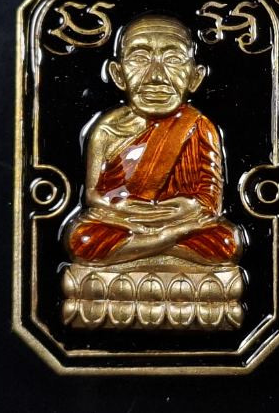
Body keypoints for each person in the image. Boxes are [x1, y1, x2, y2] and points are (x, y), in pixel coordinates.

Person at [64, 15, 242, 266]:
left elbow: (210, 200)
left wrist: (188, 208)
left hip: (180, 220)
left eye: (173, 59)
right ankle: (166, 243)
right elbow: (94, 196)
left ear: (195, 77)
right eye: (139, 58)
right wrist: (123, 210)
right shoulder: (108, 129)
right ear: (118, 74)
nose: (156, 76)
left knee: (227, 241)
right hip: (126, 220)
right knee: (81, 238)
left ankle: (141, 248)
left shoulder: (198, 126)